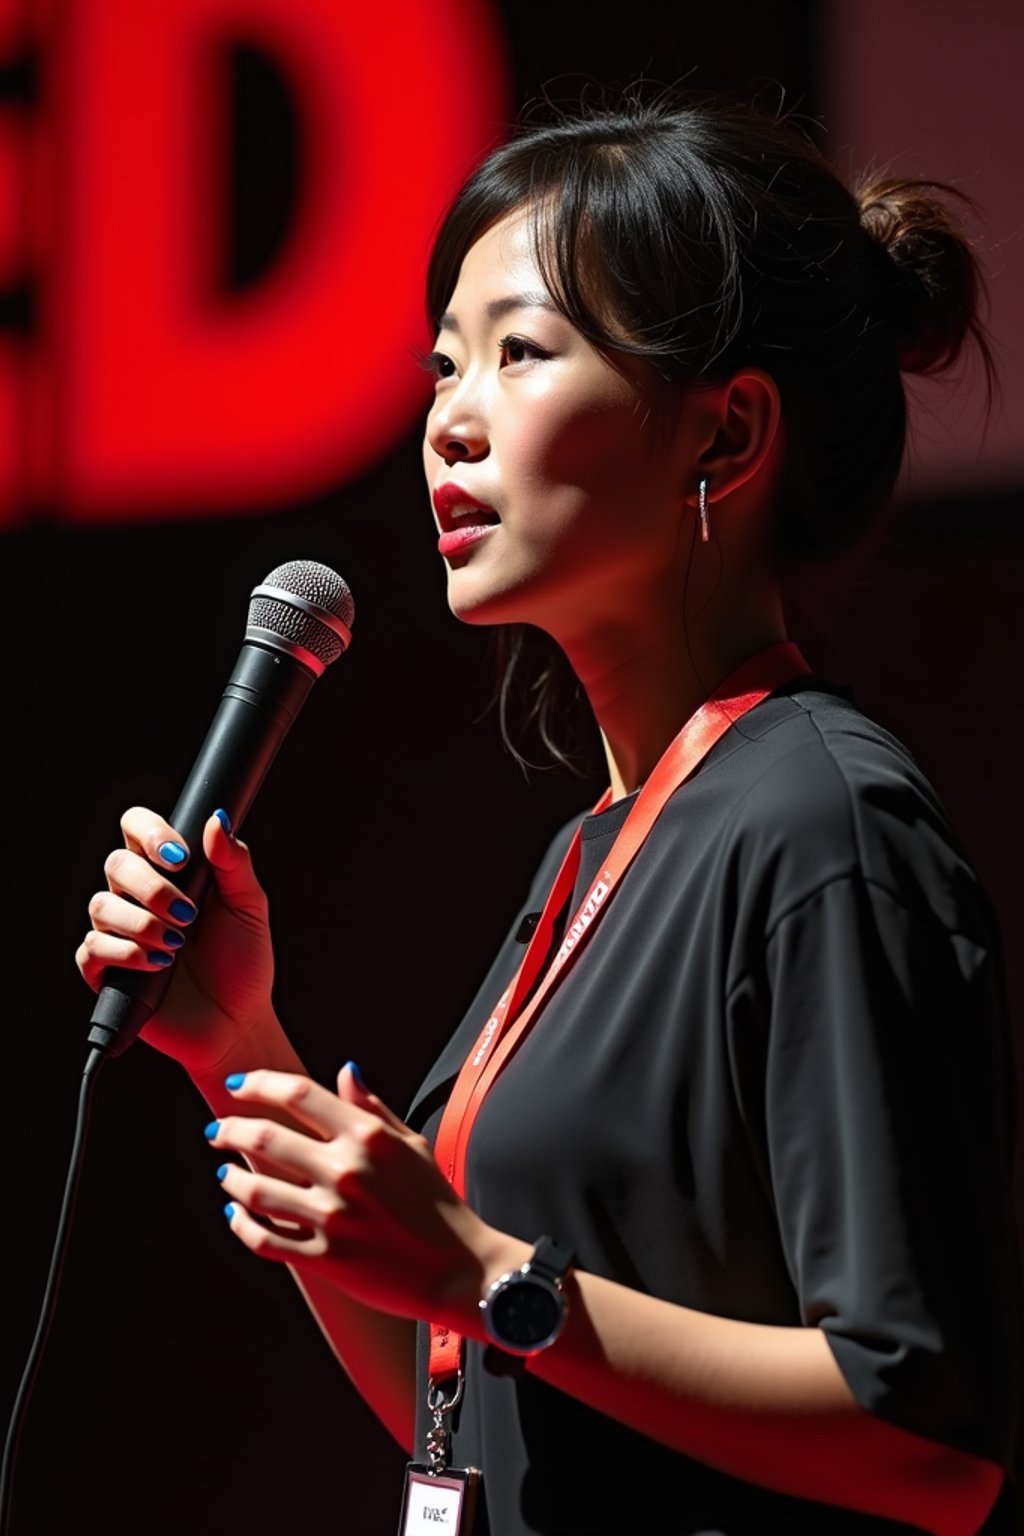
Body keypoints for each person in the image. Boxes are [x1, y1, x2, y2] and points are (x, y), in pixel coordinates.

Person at [77, 95, 1020, 1534]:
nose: (447, 419)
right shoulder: (592, 851)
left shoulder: (827, 827)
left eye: (519, 354)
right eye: (443, 365)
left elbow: (932, 1443)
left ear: (730, 431)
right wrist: (236, 1048)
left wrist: (477, 1270)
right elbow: (474, 1412)